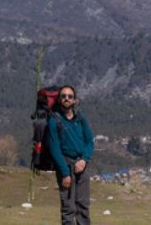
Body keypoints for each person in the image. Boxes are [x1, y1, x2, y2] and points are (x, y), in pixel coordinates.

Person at [46, 84, 95, 225]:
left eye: (70, 96)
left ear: (75, 100)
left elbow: (90, 142)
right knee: (68, 208)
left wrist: (84, 160)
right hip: (65, 165)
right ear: (59, 100)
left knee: (83, 206)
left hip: (82, 165)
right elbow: (54, 149)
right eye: (63, 96)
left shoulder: (81, 119)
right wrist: (65, 173)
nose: (67, 98)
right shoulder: (54, 121)